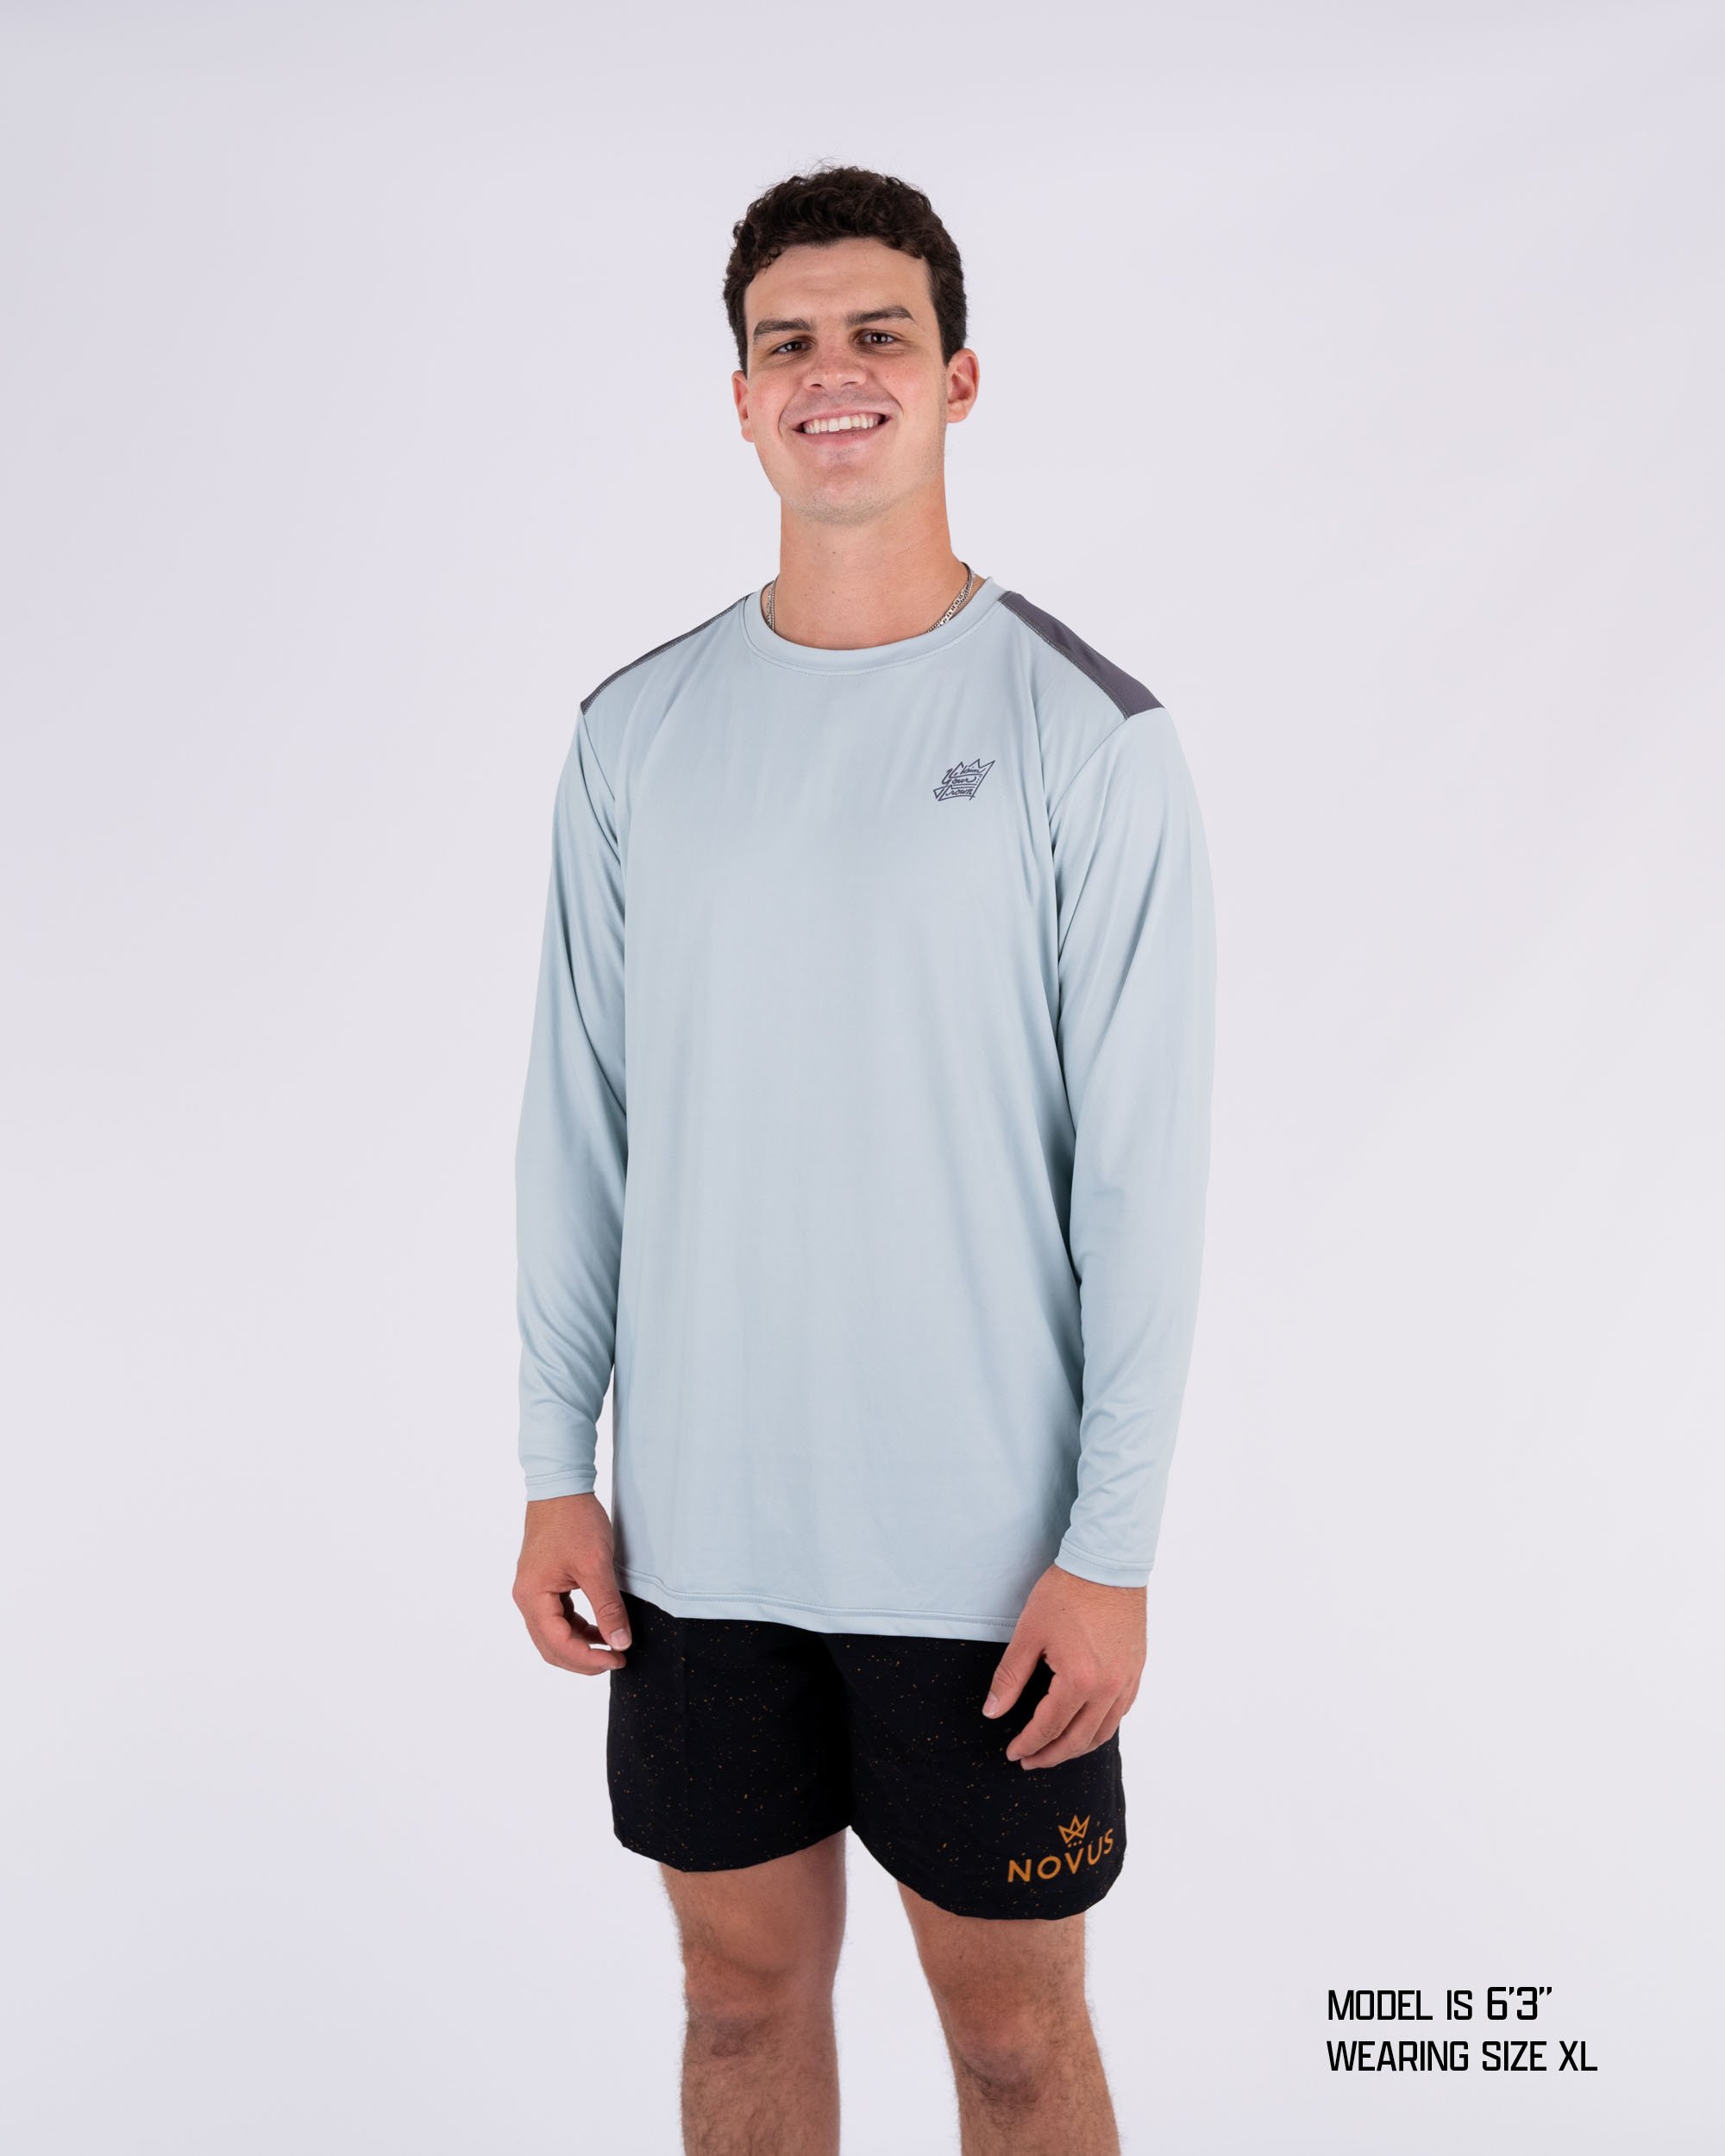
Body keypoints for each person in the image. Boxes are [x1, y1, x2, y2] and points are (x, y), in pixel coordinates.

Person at [511, 162, 1217, 2154]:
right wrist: (558, 1464)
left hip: (986, 1562)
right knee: (736, 2001)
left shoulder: (1088, 736)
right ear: (741, 398)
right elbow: (577, 1121)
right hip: (696, 1548)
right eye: (790, 342)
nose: (834, 371)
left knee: (1011, 2043)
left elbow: (1143, 1185)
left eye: (878, 333)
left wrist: (1112, 1548)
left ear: (958, 377)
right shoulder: (634, 732)